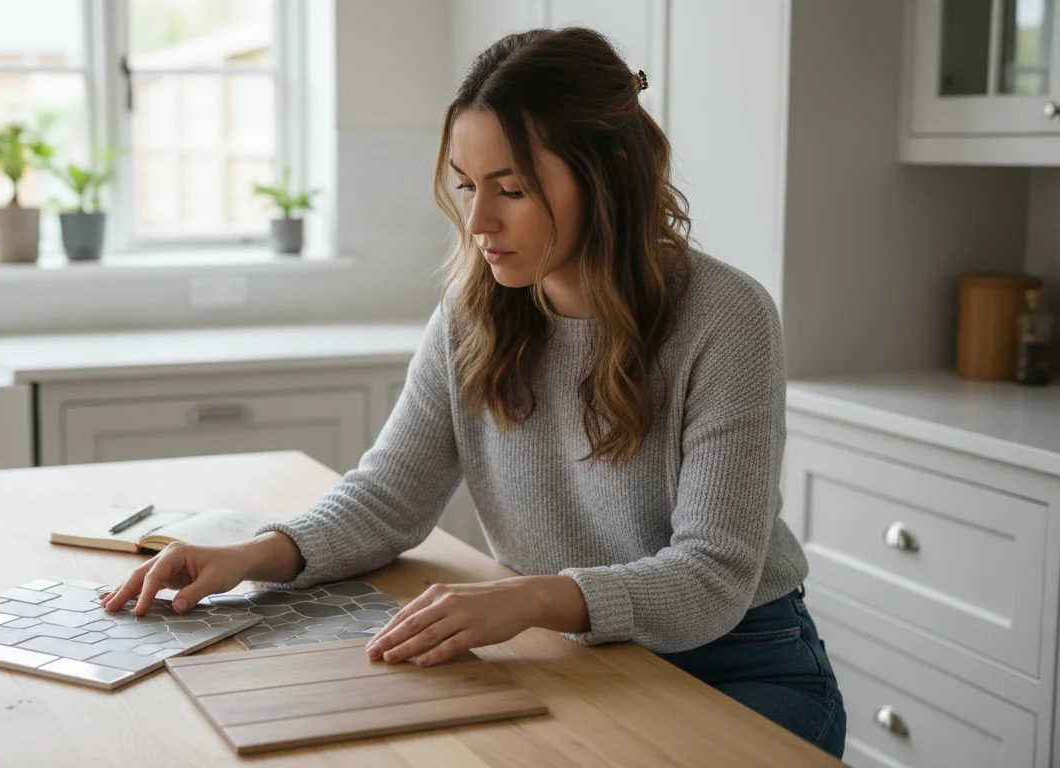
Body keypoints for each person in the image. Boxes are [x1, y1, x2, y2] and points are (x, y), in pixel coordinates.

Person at [99, 27, 846, 758]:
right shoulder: (474, 308)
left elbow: (711, 577)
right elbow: (389, 496)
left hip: (740, 665)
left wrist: (528, 598)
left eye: (512, 189)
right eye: (465, 185)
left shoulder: (725, 317)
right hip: (572, 654)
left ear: (607, 174)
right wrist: (252, 554)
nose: (479, 222)